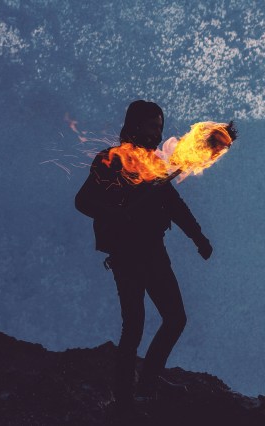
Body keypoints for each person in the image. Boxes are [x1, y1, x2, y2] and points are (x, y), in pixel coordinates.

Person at [75, 100, 212, 411]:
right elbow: (82, 201)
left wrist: (198, 237)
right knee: (134, 325)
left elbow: (174, 205)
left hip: (153, 250)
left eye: (160, 126)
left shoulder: (154, 163)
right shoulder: (111, 160)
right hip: (125, 254)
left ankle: (147, 383)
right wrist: (117, 214)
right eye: (152, 126)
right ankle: (125, 398)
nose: (157, 132)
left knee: (175, 318)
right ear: (135, 126)